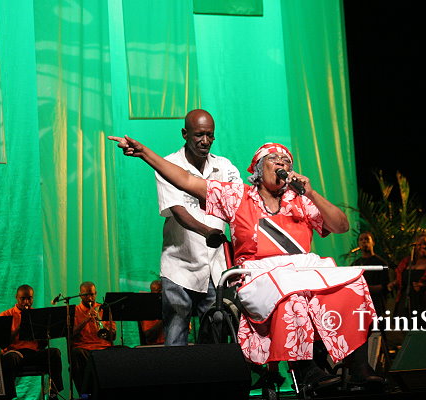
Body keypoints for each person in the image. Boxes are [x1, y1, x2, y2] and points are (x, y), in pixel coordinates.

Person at [108, 136, 382, 390]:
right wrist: (144, 153)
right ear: (259, 169)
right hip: (258, 275)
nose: (282, 164)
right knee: (293, 295)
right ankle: (306, 370)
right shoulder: (237, 196)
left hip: (304, 270)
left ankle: (358, 366)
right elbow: (186, 180)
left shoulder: (299, 200)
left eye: (287, 161)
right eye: (274, 159)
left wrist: (310, 193)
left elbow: (341, 226)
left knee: (350, 288)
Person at [156, 109, 242, 347]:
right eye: (199, 135)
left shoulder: (224, 167)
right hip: (179, 267)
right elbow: (178, 211)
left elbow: (238, 204)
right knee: (176, 337)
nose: (205, 141)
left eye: (210, 135)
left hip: (215, 269)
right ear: (185, 134)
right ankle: (177, 373)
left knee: (215, 338)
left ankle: (211, 373)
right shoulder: (169, 165)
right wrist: (208, 232)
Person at [0, 285, 64, 400]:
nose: (26, 302)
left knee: (55, 353)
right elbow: (3, 344)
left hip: (33, 353)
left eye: (29, 298)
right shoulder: (5, 315)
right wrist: (20, 326)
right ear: (16, 298)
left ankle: (53, 393)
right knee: (10, 358)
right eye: (23, 299)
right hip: (16, 353)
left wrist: (44, 332)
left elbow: (43, 345)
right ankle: (8, 396)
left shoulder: (37, 315)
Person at [388, 234, 426, 322]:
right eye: (420, 244)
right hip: (407, 304)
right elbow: (402, 279)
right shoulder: (407, 262)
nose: (423, 246)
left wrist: (425, 286)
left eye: (425, 244)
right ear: (415, 246)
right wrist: (394, 283)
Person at [71, 281, 116, 394]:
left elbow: (113, 336)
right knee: (76, 353)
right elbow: (70, 334)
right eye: (86, 295)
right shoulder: (74, 311)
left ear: (96, 294)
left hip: (104, 348)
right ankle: (86, 395)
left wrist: (101, 322)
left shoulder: (105, 308)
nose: (90, 298)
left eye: (92, 294)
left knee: (124, 350)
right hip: (84, 349)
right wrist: (86, 319)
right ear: (80, 295)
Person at [352, 231, 391, 316]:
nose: (364, 241)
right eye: (361, 240)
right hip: (360, 306)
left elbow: (384, 286)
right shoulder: (355, 264)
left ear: (373, 242)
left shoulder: (381, 263)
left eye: (366, 239)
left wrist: (365, 289)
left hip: (376, 305)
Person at [139, 279, 165, 345]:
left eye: (163, 291)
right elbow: (149, 337)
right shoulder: (148, 310)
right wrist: (164, 318)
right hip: (156, 346)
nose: (161, 293)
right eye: (158, 291)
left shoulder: (171, 305)